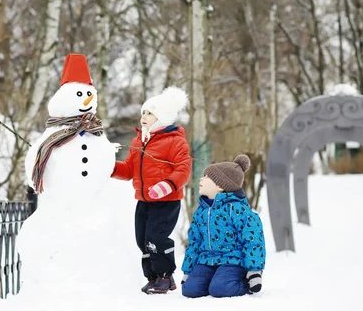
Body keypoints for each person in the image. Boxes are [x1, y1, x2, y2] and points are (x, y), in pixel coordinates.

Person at [111, 87, 192, 294]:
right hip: (144, 200)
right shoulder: (139, 141)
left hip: (166, 201)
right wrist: (109, 166)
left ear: (162, 117)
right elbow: (128, 169)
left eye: (149, 113)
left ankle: (165, 276)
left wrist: (165, 186)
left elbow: (183, 169)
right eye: (143, 113)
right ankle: (153, 277)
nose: (143, 117)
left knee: (156, 237)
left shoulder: (175, 140)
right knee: (142, 239)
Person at [181, 154, 265, 298]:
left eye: (207, 177)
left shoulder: (238, 211)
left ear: (220, 186)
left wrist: (254, 271)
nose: (201, 179)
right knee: (189, 290)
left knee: (220, 289)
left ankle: (243, 283)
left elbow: (253, 241)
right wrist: (188, 271)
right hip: (206, 260)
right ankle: (214, 280)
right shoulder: (201, 212)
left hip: (232, 260)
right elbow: (195, 242)